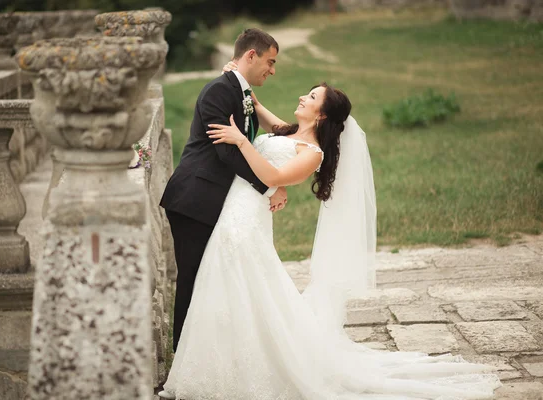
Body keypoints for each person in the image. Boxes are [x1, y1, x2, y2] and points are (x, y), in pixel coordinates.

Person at [159, 60, 502, 399]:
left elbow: (275, 178)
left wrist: (242, 141)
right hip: (234, 211)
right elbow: (256, 106)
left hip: (245, 220)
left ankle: (238, 364)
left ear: (321, 114)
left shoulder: (313, 153)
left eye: (311, 98)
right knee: (227, 285)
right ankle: (218, 360)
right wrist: (235, 76)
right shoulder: (287, 132)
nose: (302, 99)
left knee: (239, 282)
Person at [160, 28, 287, 358]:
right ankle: (182, 360)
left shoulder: (240, 91)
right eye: (270, 62)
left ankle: (206, 355)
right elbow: (226, 153)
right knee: (192, 278)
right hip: (193, 199)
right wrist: (270, 186)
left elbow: (257, 137)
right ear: (251, 55)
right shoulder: (219, 90)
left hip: (210, 200)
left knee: (209, 279)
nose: (272, 70)